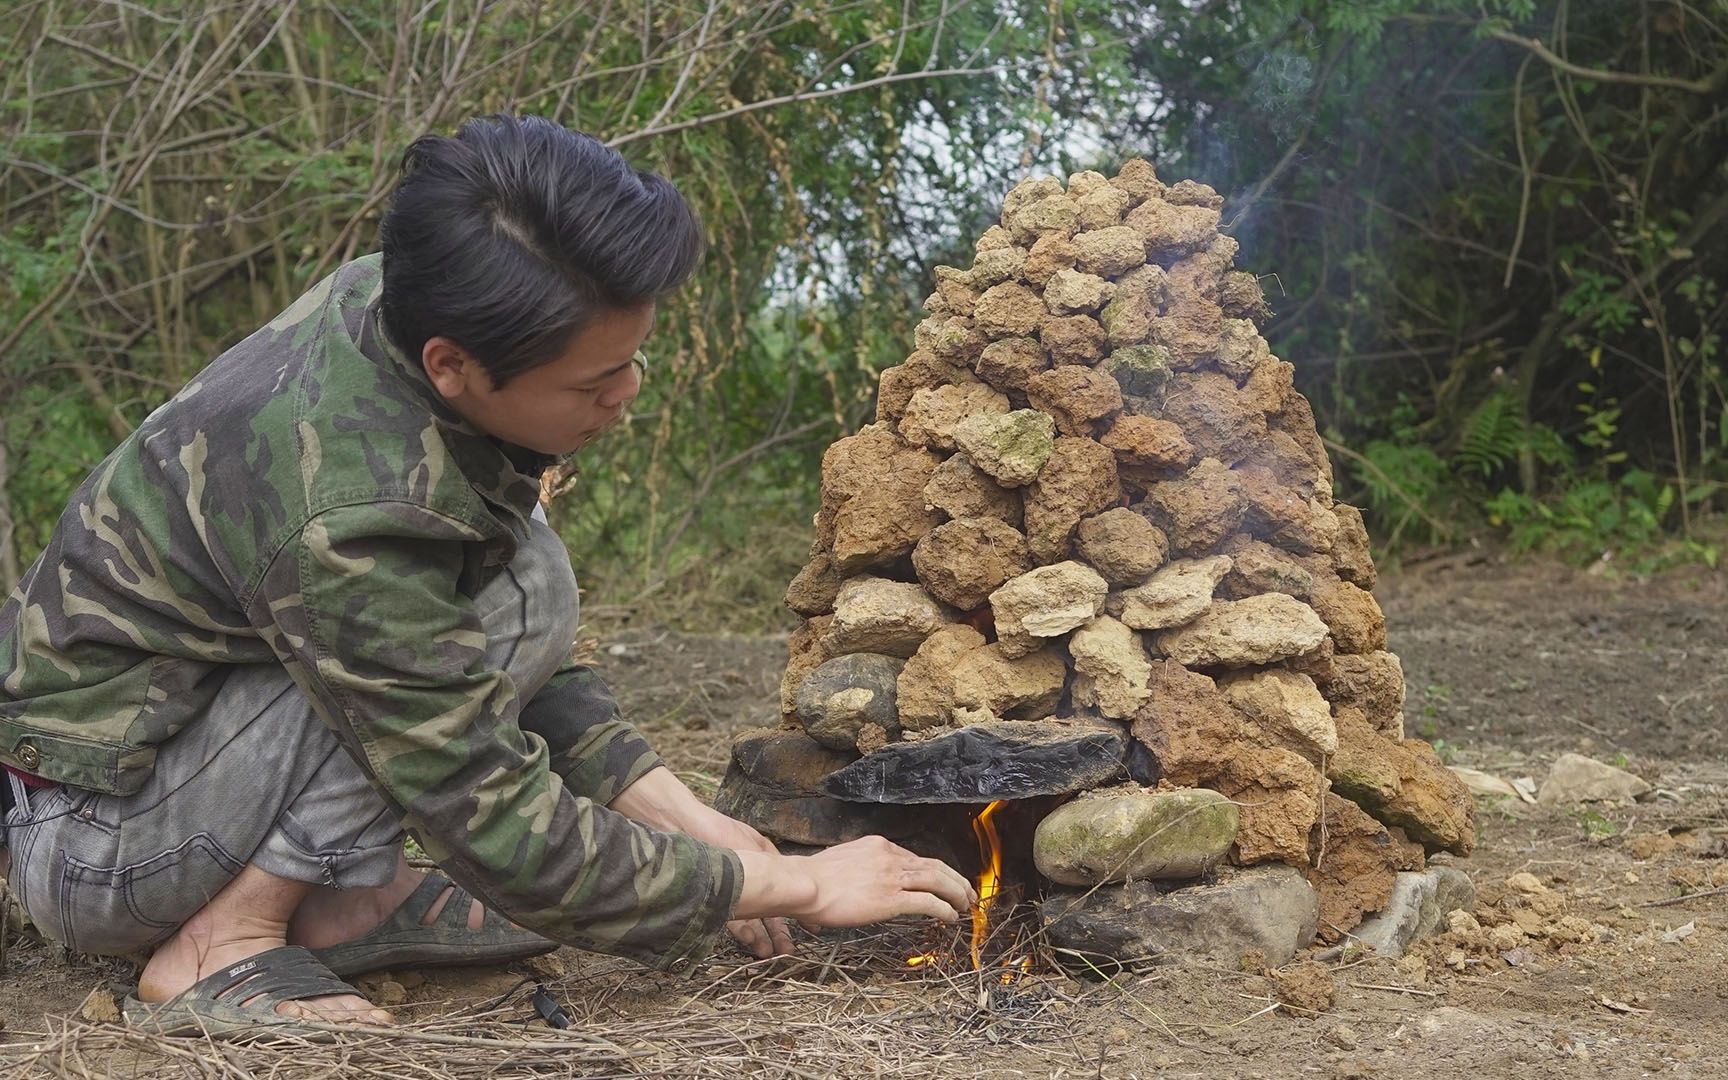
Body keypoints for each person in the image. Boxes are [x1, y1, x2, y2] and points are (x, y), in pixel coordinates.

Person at [0, 114, 974, 1036]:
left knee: (523, 576)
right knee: (517, 588)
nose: (628, 396)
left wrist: (699, 827)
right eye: (597, 382)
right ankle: (219, 944)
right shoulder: (352, 507)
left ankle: (341, 900)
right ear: (455, 364)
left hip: (184, 753)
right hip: (103, 842)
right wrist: (800, 885)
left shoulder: (408, 299)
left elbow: (493, 656)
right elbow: (486, 810)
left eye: (632, 361)